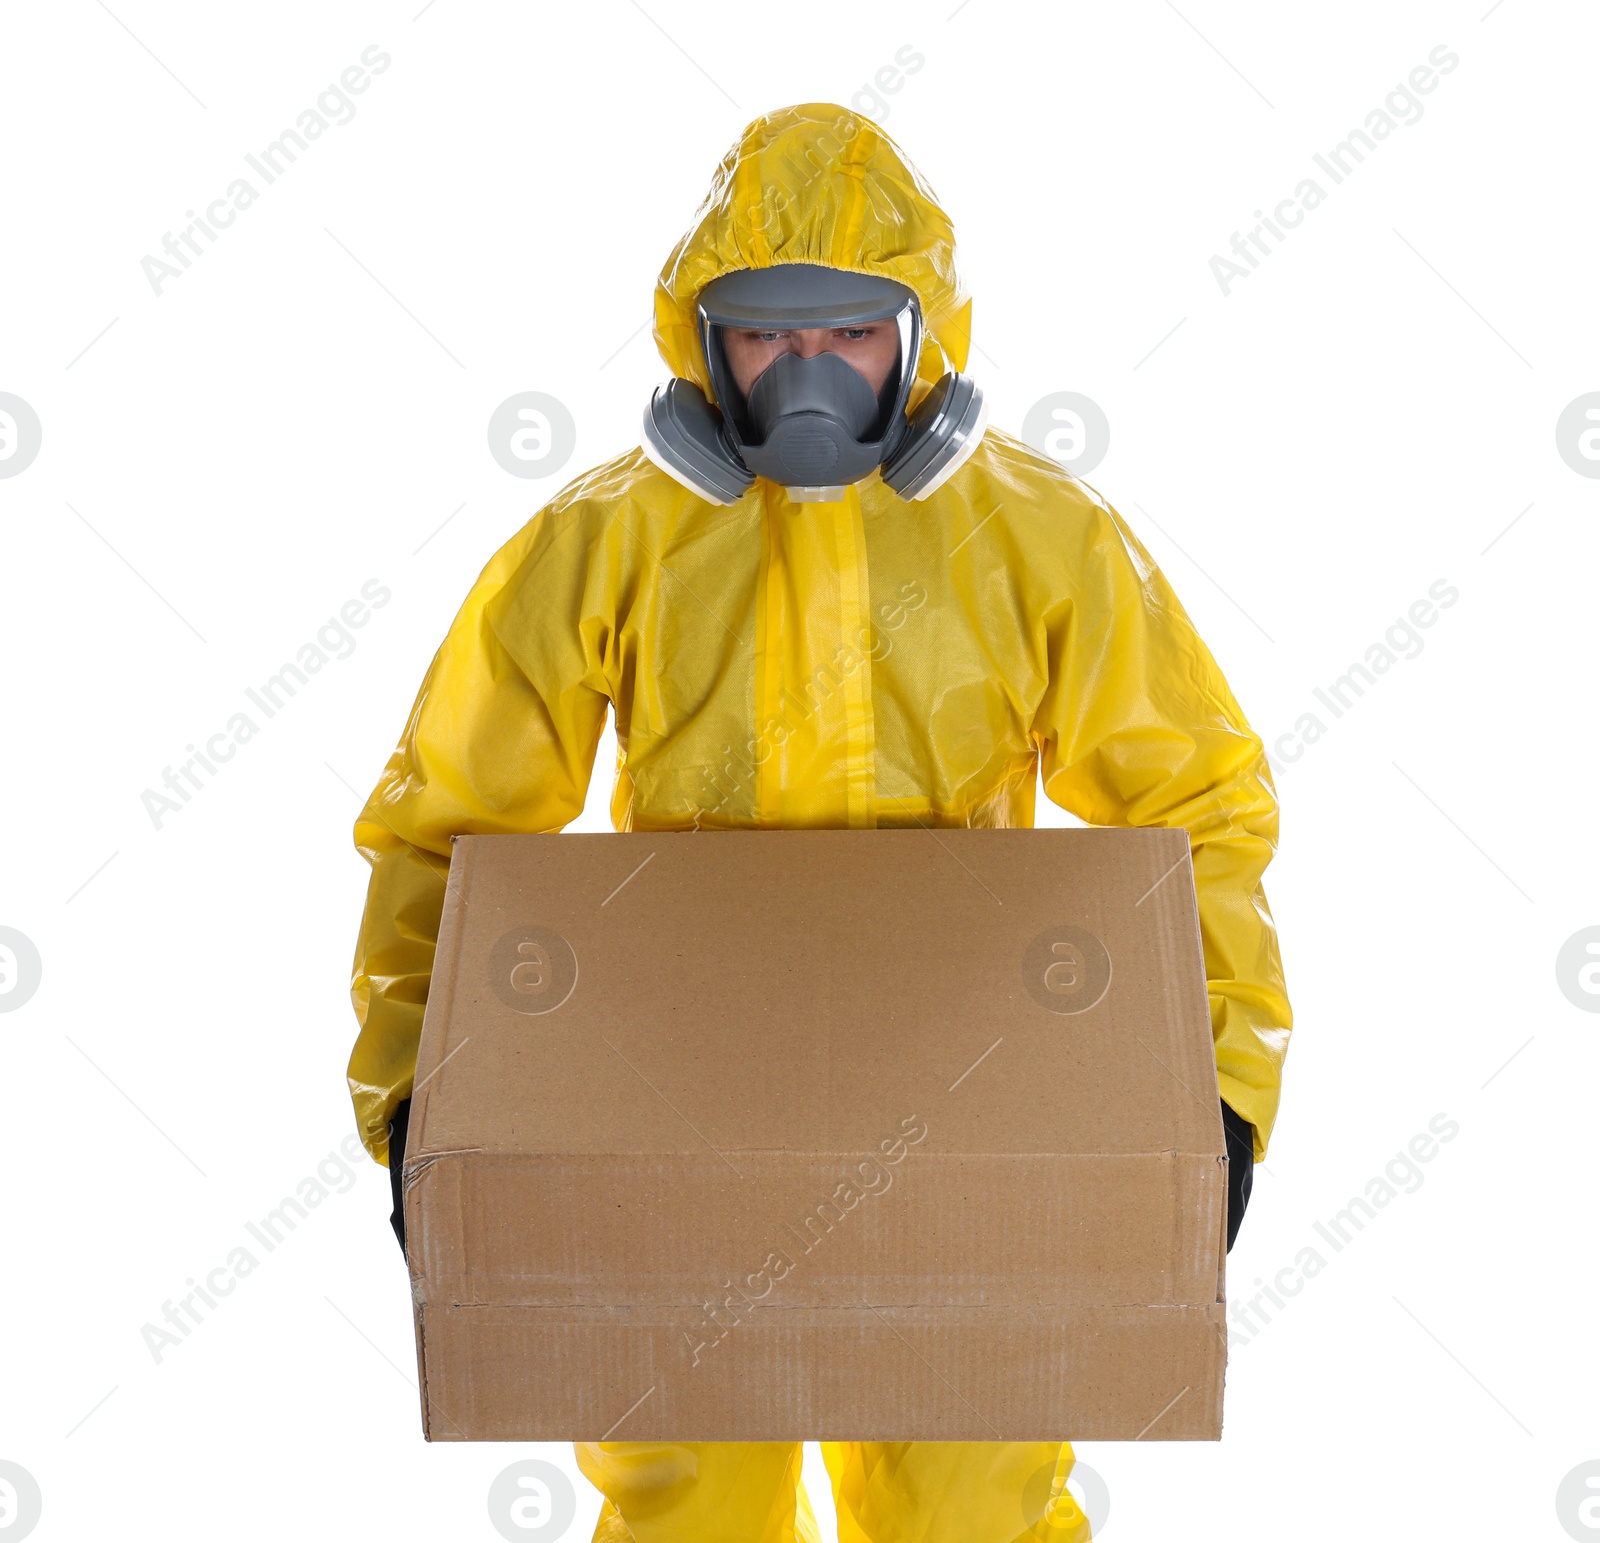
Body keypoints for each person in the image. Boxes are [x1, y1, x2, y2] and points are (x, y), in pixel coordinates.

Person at [345, 102, 1291, 1543]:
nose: (806, 375)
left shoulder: (1038, 536)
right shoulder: (608, 540)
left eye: (847, 333)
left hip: (970, 1103)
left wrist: (1212, 1093)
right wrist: (428, 1096)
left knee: (970, 1506)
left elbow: (1194, 802)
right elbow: (451, 825)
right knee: (687, 1510)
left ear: (918, 335)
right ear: (703, 341)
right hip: (669, 1116)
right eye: (765, 335)